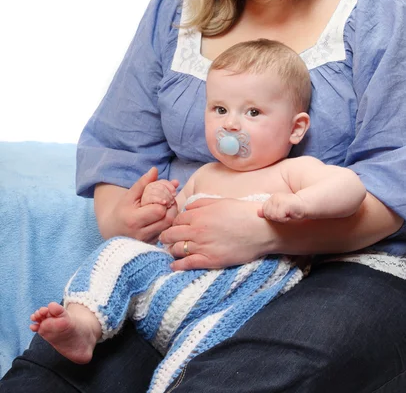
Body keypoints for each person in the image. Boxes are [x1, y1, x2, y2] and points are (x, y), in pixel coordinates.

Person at [2, 0, 406, 393]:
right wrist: (129, 215)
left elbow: (395, 179)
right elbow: (119, 152)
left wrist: (268, 234)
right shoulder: (177, 12)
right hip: (190, 265)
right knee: (53, 374)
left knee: (227, 378)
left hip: (350, 265)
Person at [28, 39, 366, 381]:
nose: (231, 125)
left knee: (207, 358)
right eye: (220, 109)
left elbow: (351, 188)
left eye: (252, 112)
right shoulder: (204, 174)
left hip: (232, 303)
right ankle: (85, 325)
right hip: (168, 284)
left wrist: (301, 203)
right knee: (118, 251)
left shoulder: (291, 172)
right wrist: (159, 203)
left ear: (296, 128)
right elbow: (170, 226)